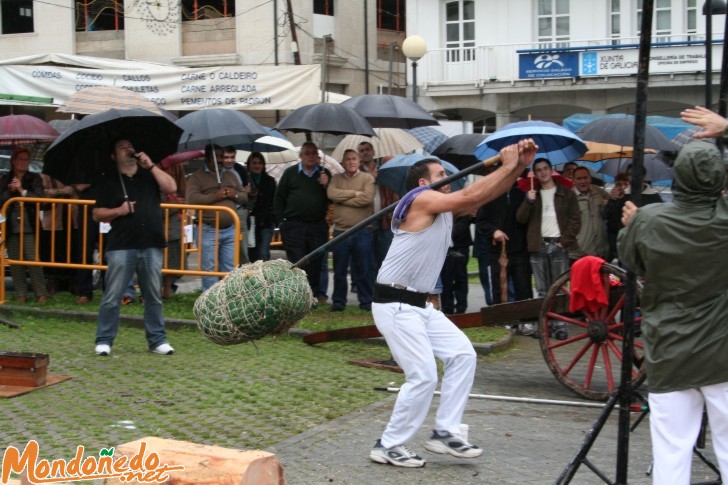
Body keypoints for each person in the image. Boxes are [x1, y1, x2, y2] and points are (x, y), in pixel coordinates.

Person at [369, 139, 537, 468]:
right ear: (423, 182)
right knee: (424, 376)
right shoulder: (419, 199)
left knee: (461, 354)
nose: (448, 178)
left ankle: (445, 432)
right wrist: (505, 164)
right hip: (395, 303)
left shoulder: (441, 207)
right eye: (442, 173)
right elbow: (472, 195)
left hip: (419, 305)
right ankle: (388, 445)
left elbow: (482, 196)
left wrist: (517, 166)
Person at [618, 135, 728, 484]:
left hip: (668, 350)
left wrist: (633, 225)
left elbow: (630, 260)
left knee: (670, 454)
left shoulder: (649, 220)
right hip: (722, 353)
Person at [92, 139, 176, 356]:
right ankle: (104, 339)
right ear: (113, 156)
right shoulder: (108, 179)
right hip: (122, 243)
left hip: (151, 242)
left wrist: (151, 165)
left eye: (130, 145)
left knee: (153, 295)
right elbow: (97, 213)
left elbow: (171, 187)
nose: (127, 149)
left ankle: (157, 339)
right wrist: (118, 211)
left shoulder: (149, 173)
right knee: (113, 295)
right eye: (121, 146)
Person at [516, 158, 580, 339]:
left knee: (559, 289)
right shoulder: (532, 194)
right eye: (538, 170)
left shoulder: (567, 194)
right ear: (534, 174)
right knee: (542, 290)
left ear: (552, 170)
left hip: (558, 245)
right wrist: (528, 201)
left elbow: (576, 221)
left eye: (545, 169)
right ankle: (544, 326)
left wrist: (563, 241)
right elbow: (520, 218)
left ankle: (560, 326)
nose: (543, 172)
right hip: (538, 245)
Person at [273, 142, 331, 296]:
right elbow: (279, 199)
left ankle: (313, 295)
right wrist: (281, 222)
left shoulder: (325, 174)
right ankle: (297, 295)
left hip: (317, 226)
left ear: (318, 157)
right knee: (297, 262)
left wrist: (327, 185)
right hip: (293, 226)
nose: (311, 156)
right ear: (300, 156)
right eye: (307, 153)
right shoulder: (290, 173)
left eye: (314, 153)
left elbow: (332, 199)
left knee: (315, 263)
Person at [186, 144, 247, 292]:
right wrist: (215, 196)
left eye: (222, 156)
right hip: (208, 229)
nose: (221, 160)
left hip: (230, 229)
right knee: (209, 269)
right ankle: (210, 300)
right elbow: (192, 199)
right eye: (217, 157)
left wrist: (235, 195)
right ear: (207, 158)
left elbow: (244, 197)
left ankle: (228, 298)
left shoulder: (231, 175)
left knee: (229, 268)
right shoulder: (197, 177)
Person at [327, 149, 375, 311]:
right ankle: (339, 302)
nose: (351, 162)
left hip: (363, 230)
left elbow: (366, 199)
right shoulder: (336, 179)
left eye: (354, 159)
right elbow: (331, 193)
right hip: (340, 231)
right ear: (343, 162)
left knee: (363, 269)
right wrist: (354, 193)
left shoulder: (367, 178)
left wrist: (342, 200)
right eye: (348, 159)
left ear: (359, 161)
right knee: (339, 270)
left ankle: (366, 301)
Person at [0, 146, 49, 303]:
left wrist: (22, 190)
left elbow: (40, 199)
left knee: (32, 258)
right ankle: (21, 293)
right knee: (15, 261)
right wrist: (9, 191)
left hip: (29, 224)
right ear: (14, 161)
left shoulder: (34, 178)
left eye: (26, 159)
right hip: (10, 224)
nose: (24, 162)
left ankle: (41, 293)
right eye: (21, 159)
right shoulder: (5, 179)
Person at [476, 178, 532, 305]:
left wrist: (529, 201)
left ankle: (526, 320)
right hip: (498, 251)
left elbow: (528, 220)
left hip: (520, 249)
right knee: (499, 288)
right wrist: (494, 231)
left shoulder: (522, 194)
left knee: (523, 286)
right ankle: (503, 320)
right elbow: (481, 222)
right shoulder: (490, 196)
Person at [569, 166, 609, 261]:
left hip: (601, 251)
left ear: (590, 178)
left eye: (585, 177)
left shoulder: (600, 192)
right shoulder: (569, 198)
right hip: (579, 253)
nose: (583, 181)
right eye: (579, 178)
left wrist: (612, 202)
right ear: (573, 181)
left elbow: (608, 215)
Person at [245, 152, 277, 262]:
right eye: (254, 163)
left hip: (266, 223)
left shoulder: (270, 181)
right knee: (251, 253)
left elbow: (274, 201)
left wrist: (273, 217)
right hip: (250, 222)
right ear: (249, 164)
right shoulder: (244, 181)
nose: (257, 166)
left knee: (263, 253)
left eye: (259, 163)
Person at [439, 213, 474, 314]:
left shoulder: (460, 204)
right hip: (445, 245)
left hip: (460, 243)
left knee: (460, 276)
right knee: (446, 278)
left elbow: (466, 219)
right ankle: (447, 307)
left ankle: (461, 307)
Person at [222, 146, 250, 264]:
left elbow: (247, 190)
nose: (229, 160)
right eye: (226, 157)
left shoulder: (240, 170)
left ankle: (244, 271)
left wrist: (246, 208)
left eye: (232, 157)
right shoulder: (217, 170)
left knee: (242, 247)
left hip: (239, 209)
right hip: (222, 211)